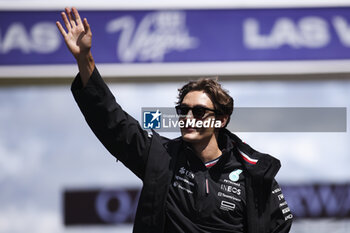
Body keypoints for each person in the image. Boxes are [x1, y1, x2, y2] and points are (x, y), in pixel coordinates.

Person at [56, 7, 293, 233]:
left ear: (220, 120)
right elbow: (112, 120)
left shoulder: (255, 174)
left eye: (199, 112)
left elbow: (278, 226)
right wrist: (84, 59)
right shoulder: (161, 156)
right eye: (183, 110)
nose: (189, 118)